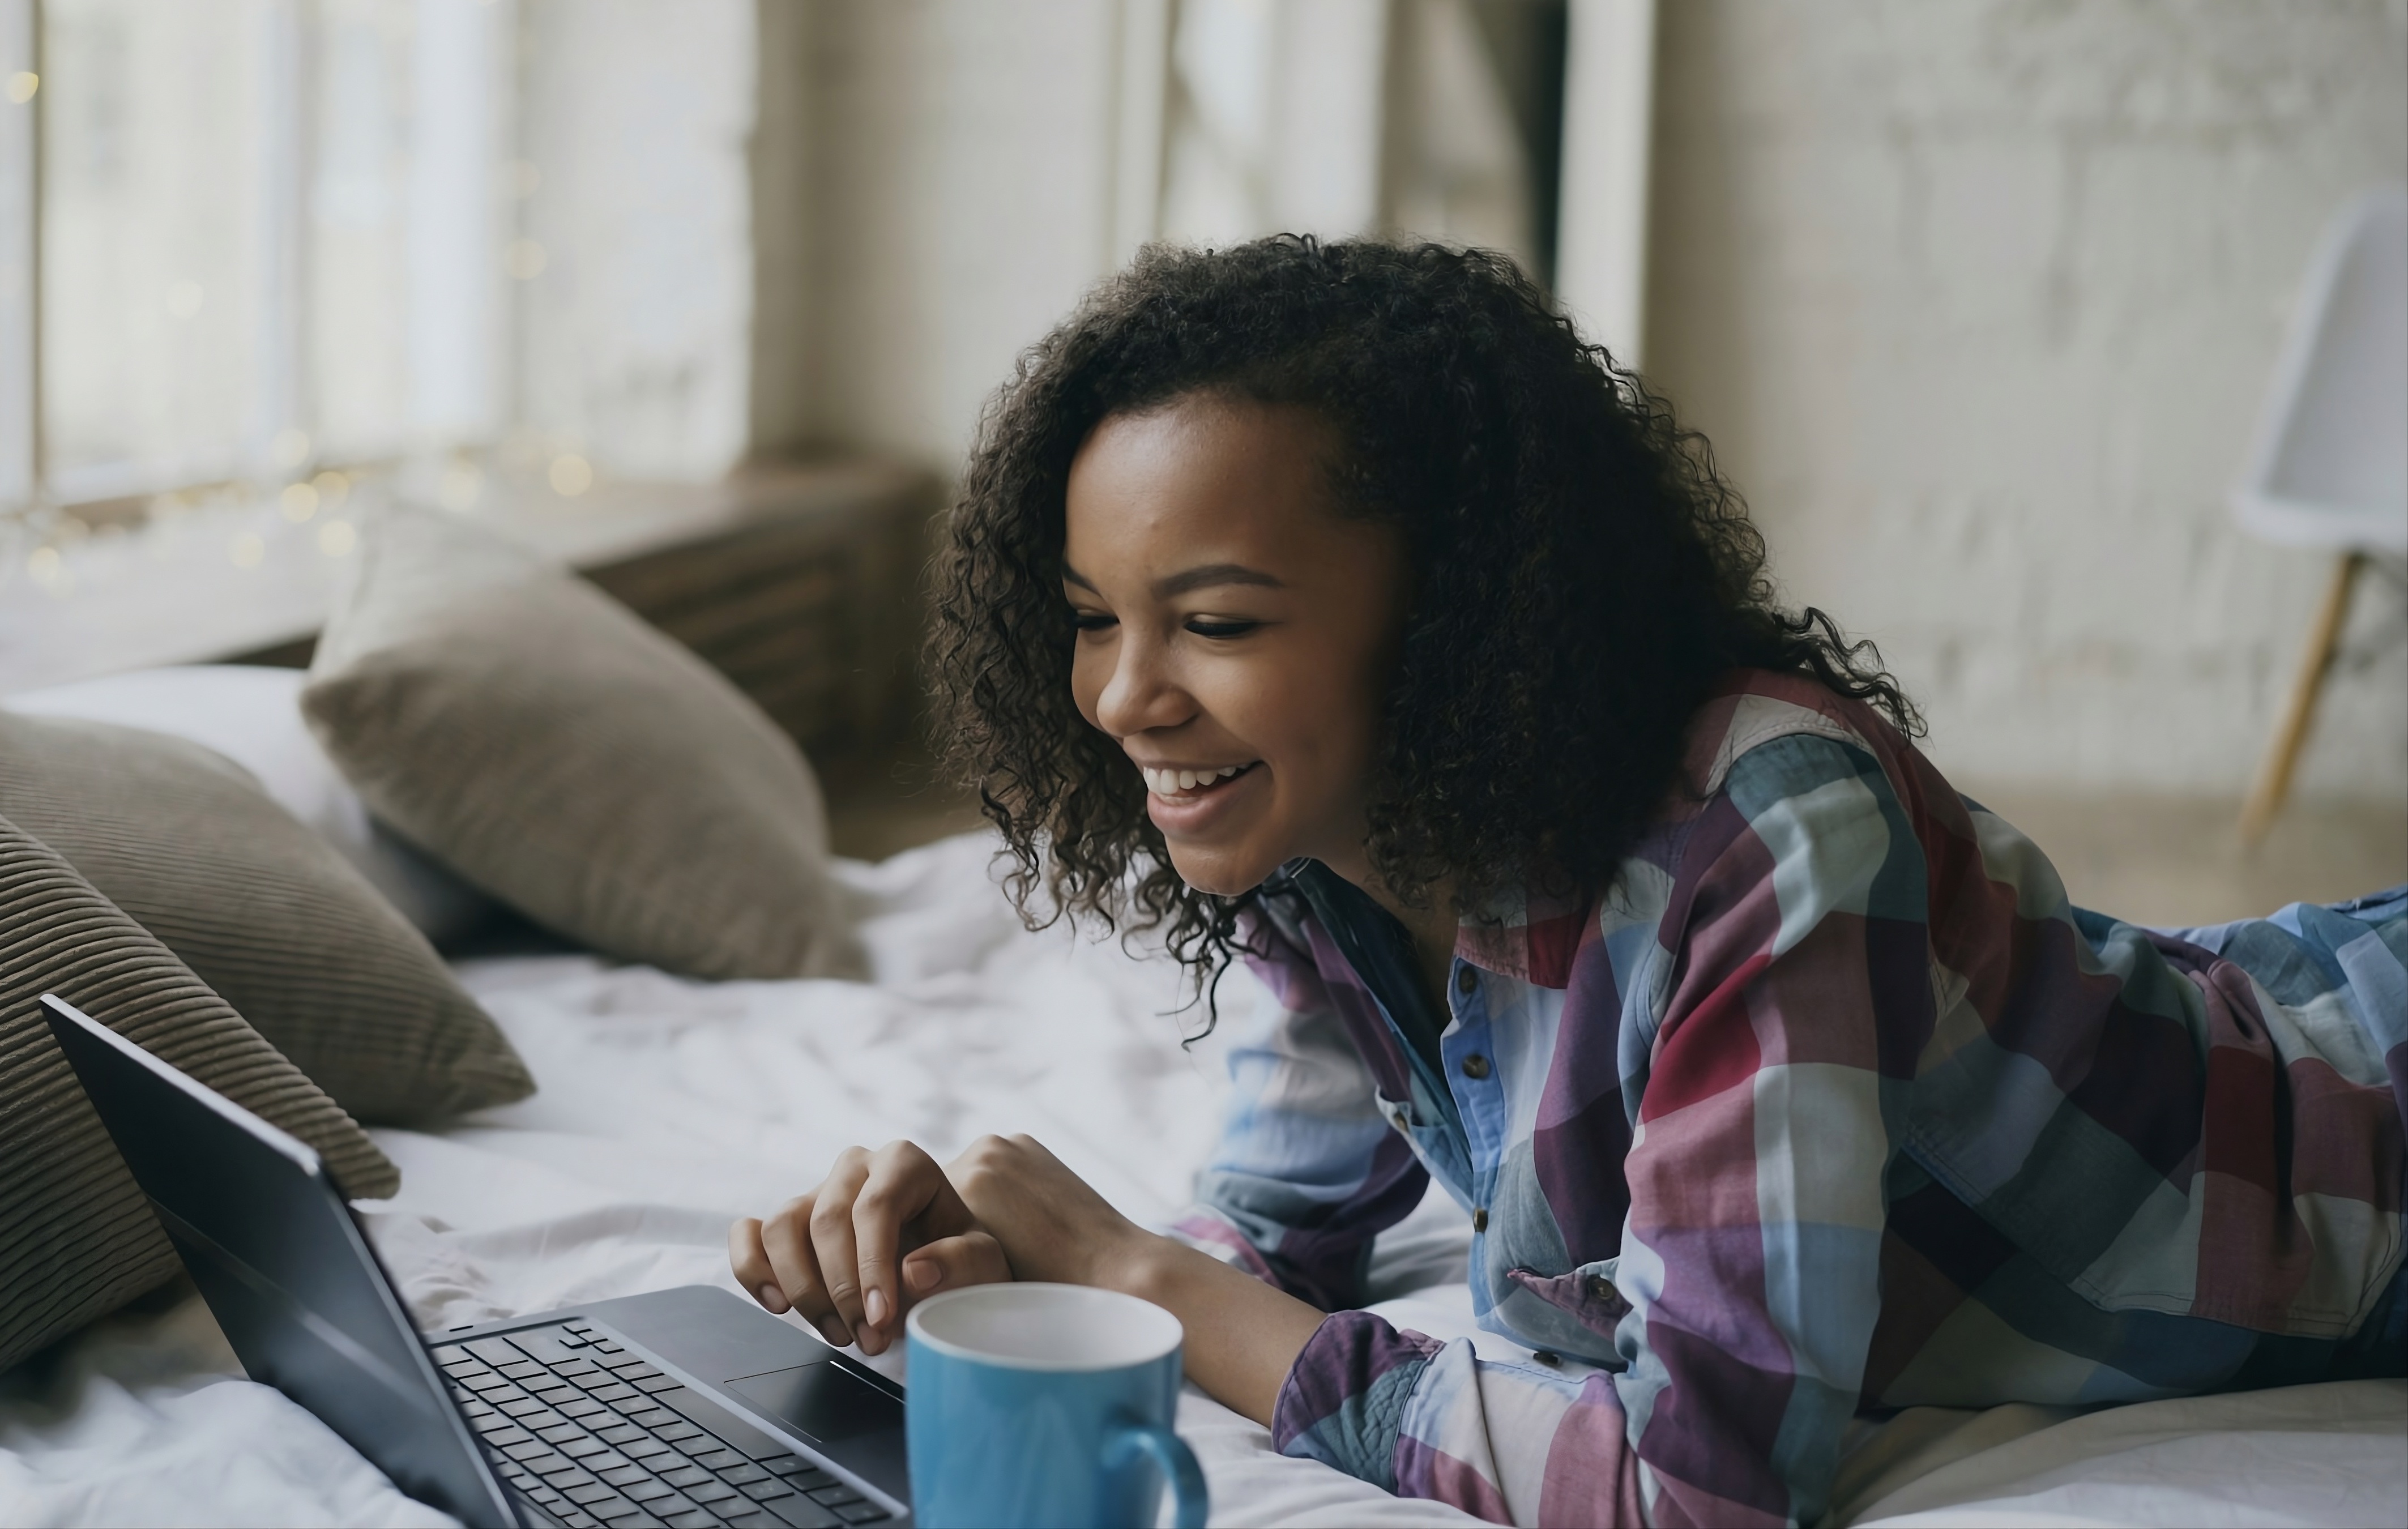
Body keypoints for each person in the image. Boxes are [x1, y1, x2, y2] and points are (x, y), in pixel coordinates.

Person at [729, 237, 2406, 1527]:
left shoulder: (1767, 821)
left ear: (1452, 616)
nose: (1117, 696)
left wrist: (1141, 1282)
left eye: (1217, 622)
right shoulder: (1323, 842)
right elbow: (1276, 1237)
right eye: (1095, 613)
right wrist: (1010, 1273)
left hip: (2354, 1146)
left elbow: (1696, 1491)